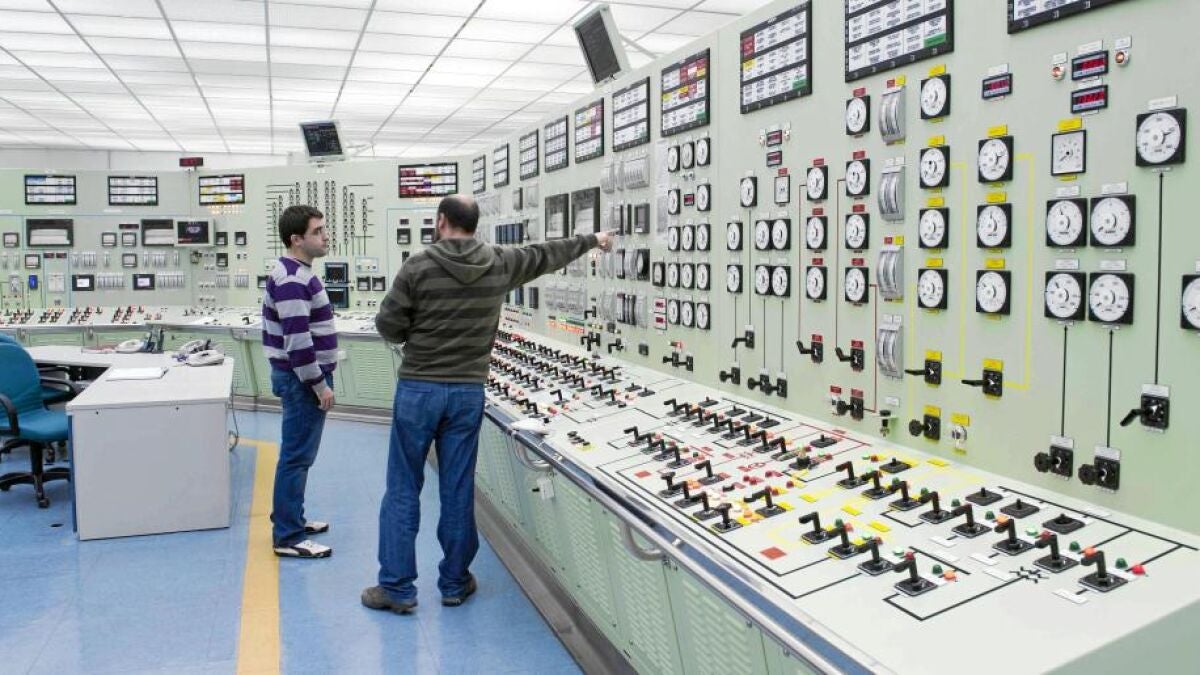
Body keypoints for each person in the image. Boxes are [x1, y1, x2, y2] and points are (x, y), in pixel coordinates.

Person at [362, 194, 614, 613]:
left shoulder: (418, 266)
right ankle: (454, 582)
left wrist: (416, 332)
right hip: (466, 391)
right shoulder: (499, 262)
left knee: (403, 487)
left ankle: (398, 588)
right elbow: (545, 254)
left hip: (419, 389)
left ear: (440, 221)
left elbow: (388, 325)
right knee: (457, 488)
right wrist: (593, 240)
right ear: (475, 224)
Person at [262, 205, 338, 559]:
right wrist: (319, 385)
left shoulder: (297, 273)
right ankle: (288, 536)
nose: (325, 237)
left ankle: (291, 518)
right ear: (296, 239)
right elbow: (298, 342)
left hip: (299, 378)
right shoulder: (293, 279)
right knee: (296, 457)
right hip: (301, 381)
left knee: (297, 455)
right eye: (317, 231)